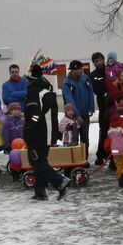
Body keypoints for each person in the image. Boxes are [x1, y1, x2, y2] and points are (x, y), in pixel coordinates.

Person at [23, 60, 69, 200]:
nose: (27, 82)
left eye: (28, 79)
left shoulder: (33, 92)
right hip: (49, 133)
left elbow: (35, 113)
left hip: (38, 132)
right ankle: (40, 192)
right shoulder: (47, 91)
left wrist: (30, 127)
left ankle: (59, 181)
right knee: (41, 161)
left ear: (31, 79)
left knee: (36, 161)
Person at [61, 59, 95, 150]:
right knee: (73, 138)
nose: (77, 71)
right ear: (71, 70)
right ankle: (74, 160)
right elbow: (69, 100)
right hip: (72, 116)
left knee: (85, 138)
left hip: (85, 113)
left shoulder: (85, 78)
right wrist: (77, 115)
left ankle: (84, 158)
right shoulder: (66, 83)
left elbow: (90, 93)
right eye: (75, 69)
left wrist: (91, 108)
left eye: (79, 69)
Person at [89, 52, 110, 165]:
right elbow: (96, 89)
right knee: (103, 132)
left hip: (113, 106)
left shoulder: (110, 71)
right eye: (96, 61)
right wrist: (106, 88)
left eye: (100, 60)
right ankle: (100, 155)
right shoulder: (93, 75)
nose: (99, 63)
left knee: (115, 132)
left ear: (103, 60)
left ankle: (112, 154)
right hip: (103, 107)